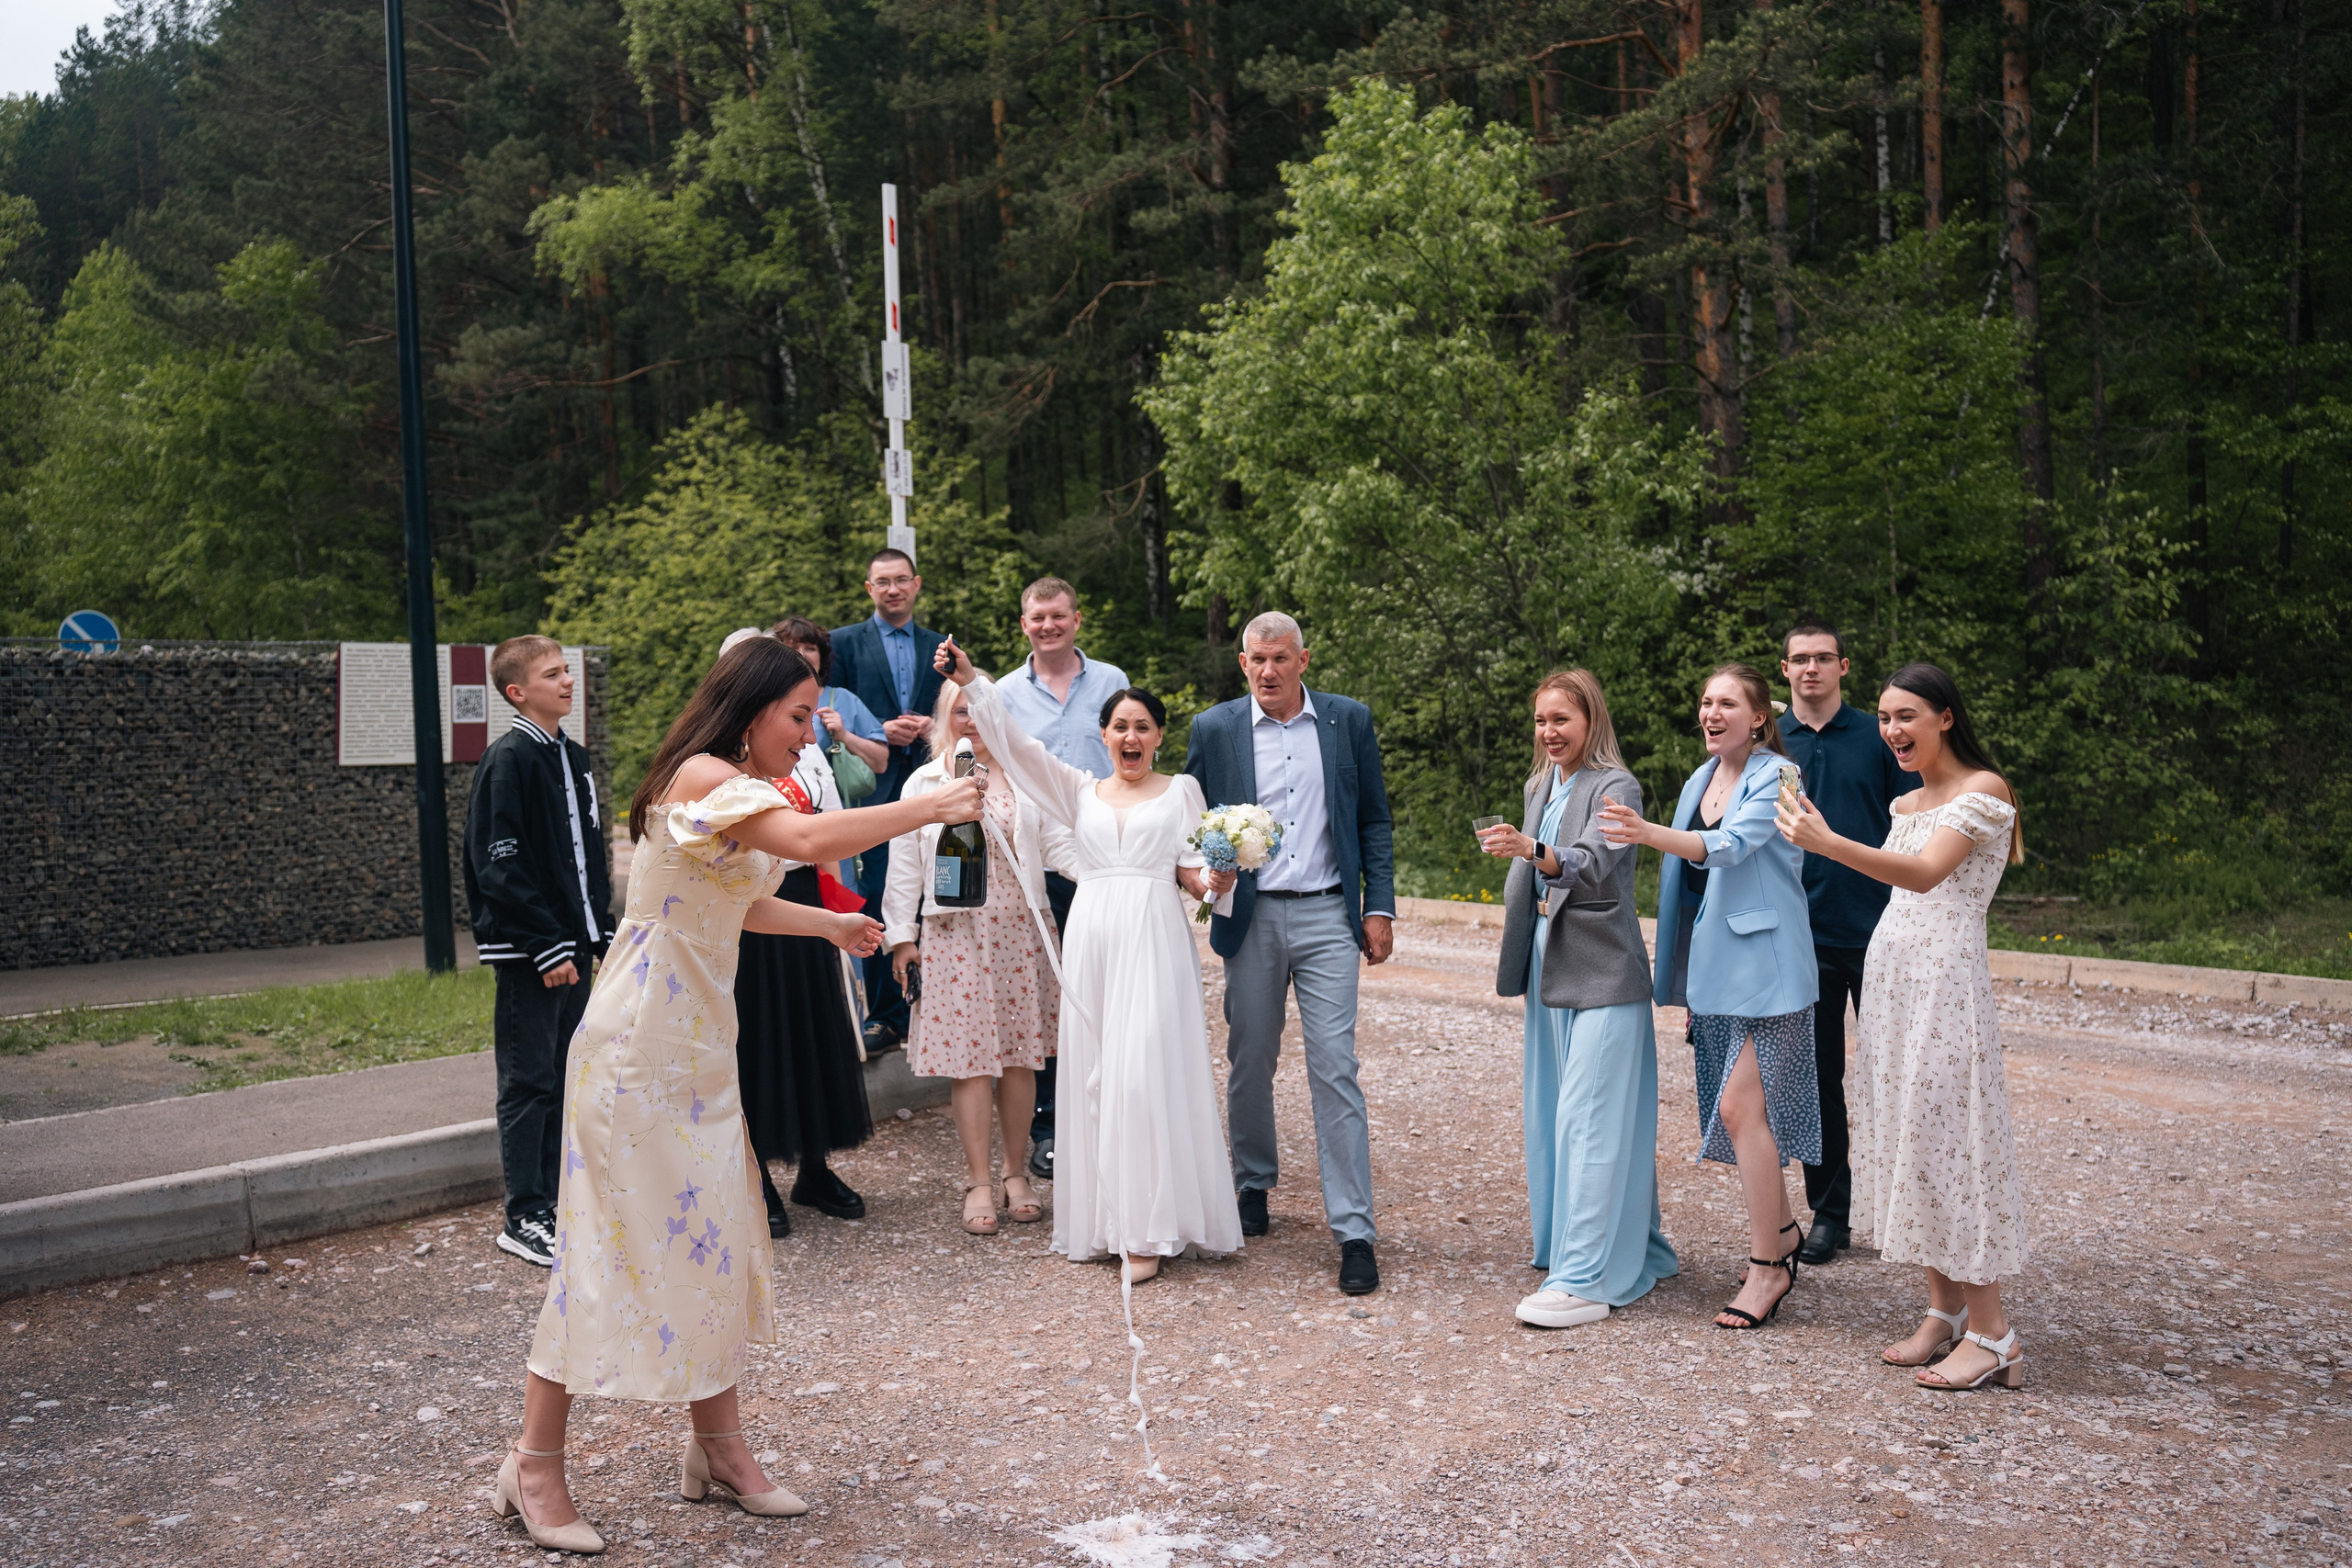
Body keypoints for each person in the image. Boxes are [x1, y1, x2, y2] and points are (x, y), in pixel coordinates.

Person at [500, 637, 984, 1553]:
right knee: (603, 1253)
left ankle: (718, 1451)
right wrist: (923, 808)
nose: (808, 738)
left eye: (812, 720)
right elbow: (801, 840)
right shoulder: (700, 776)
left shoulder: (734, 791)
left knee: (711, 1243)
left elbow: (736, 900)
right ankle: (532, 1467)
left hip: (696, 1048)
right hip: (636, 1049)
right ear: (751, 708)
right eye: (798, 718)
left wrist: (829, 923)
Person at [934, 635, 1242, 1283]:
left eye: (1144, 727)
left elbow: (1194, 877)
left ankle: (1151, 1229)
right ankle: (1108, 1221)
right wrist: (974, 680)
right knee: (1098, 1078)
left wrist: (1222, 878)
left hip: (1155, 938)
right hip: (1095, 938)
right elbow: (1017, 745)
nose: (1131, 737)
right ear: (1102, 735)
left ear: (1159, 736)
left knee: (1143, 1075)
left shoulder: (1182, 791)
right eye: (1120, 726)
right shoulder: (1076, 790)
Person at [1777, 662, 2028, 1391]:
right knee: (1912, 1140)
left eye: (1907, 715)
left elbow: (1923, 875)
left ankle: (1996, 1333)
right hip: (1894, 992)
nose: (1892, 730)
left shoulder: (1984, 791)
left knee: (1952, 1144)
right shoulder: (1907, 799)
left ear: (1946, 716)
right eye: (1884, 717)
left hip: (1946, 993)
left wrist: (1827, 843)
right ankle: (1943, 1311)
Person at [1599, 662, 1818, 1332]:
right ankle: (1782, 1229)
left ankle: (1767, 1268)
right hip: (1718, 973)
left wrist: (1645, 832)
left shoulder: (1780, 775)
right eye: (1705, 701)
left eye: (1727, 703)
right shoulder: (1703, 776)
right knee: (1735, 1113)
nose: (1711, 712)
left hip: (1774, 973)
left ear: (1760, 717)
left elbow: (1730, 846)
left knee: (1738, 1105)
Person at [1182, 611, 1396, 1297]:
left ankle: (1355, 1231)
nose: (1268, 670)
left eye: (1280, 658)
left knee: (1336, 1068)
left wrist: (1378, 906)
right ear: (1242, 664)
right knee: (1251, 1054)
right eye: (1256, 660)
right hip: (1252, 914)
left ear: (1304, 658)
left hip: (1329, 912)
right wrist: (1203, 873)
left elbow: (1373, 819)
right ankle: (1252, 1182)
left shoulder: (1347, 720)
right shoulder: (1214, 728)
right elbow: (1191, 824)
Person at [1479, 670, 1678, 1329]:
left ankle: (1586, 1278)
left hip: (1604, 969)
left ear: (1590, 719)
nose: (1549, 731)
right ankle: (1602, 1244)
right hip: (1547, 961)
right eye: (1541, 720)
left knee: (1588, 1118)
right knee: (1552, 1109)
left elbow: (1595, 864)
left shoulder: (1616, 786)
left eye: (1562, 718)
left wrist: (1532, 849)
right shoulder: (1541, 783)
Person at [883, 675, 1069, 1235]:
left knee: (1020, 1056)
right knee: (968, 1062)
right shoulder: (925, 782)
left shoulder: (1025, 779)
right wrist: (902, 938)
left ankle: (1016, 1173)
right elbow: (904, 866)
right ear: (945, 720)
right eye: (958, 712)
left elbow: (1059, 847)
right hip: (955, 935)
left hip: (1020, 930)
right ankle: (978, 1183)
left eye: (979, 711)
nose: (970, 721)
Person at [463, 635, 614, 1269]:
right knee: (529, 1079)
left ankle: (558, 1199)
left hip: (575, 944)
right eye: (552, 674)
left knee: (567, 1072)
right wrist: (545, 943)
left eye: (567, 671)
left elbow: (588, 856)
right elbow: (498, 863)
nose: (566, 681)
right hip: (536, 952)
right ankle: (523, 1212)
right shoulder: (510, 759)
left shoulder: (571, 757)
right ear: (517, 691)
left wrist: (598, 929)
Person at [731, 628, 881, 1234]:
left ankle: (814, 1164)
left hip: (806, 897)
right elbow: (796, 832)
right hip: (750, 903)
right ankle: (755, 1174)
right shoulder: (729, 761)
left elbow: (830, 820)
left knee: (815, 1029)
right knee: (760, 1035)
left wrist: (837, 904)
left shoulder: (806, 747)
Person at [1777, 620, 1917, 1266]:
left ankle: (1908, 1213)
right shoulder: (1772, 743)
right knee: (1819, 1079)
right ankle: (1832, 1214)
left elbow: (1915, 828)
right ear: (1784, 670)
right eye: (1800, 658)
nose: (1812, 668)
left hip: (1883, 930)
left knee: (1896, 1076)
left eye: (1823, 658)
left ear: (1844, 666)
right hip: (1803, 937)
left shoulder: (1880, 737)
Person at [995, 576, 1128, 1185]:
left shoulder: (1111, 682)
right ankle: (1048, 1126)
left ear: (1077, 619)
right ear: (1023, 624)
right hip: (1036, 865)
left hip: (1101, 857)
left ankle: (1110, 1110)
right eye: (1036, 617)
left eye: (1057, 615)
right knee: (1048, 995)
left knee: (1104, 987)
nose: (1047, 625)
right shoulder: (1001, 694)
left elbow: (1130, 759)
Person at [830, 548, 946, 1053]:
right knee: (877, 891)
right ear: (868, 587)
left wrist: (929, 726)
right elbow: (834, 702)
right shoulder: (842, 644)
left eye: (902, 580)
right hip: (869, 786)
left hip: (930, 779)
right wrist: (881, 731)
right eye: (883, 581)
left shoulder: (940, 645)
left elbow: (958, 706)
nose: (893, 589)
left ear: (916, 585)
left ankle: (936, 999)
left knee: (937, 887)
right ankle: (885, 1014)